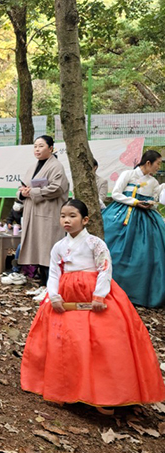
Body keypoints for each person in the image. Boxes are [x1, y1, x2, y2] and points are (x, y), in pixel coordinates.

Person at [20, 199, 165, 410]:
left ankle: (104, 394)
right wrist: (53, 295)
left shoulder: (96, 243)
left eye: (72, 216)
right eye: (63, 216)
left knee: (103, 342)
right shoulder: (59, 246)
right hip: (65, 295)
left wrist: (99, 295)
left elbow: (105, 268)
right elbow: (53, 273)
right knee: (66, 342)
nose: (67, 220)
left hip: (94, 292)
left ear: (85, 220)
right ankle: (66, 388)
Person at [102, 149, 165, 308]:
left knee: (146, 252)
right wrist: (135, 202)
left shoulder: (154, 182)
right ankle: (112, 286)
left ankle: (139, 290)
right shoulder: (128, 175)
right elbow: (116, 194)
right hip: (124, 214)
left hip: (147, 219)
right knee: (116, 247)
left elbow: (157, 199)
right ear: (148, 162)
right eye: (158, 163)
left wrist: (151, 203)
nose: (159, 167)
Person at [16, 135, 69, 298]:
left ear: (51, 148)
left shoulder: (56, 166)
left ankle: (50, 287)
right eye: (35, 146)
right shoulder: (32, 167)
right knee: (38, 249)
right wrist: (23, 193)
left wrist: (33, 192)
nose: (37, 149)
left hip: (48, 214)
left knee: (48, 250)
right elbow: (22, 187)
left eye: (41, 146)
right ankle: (41, 284)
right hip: (32, 213)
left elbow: (57, 188)